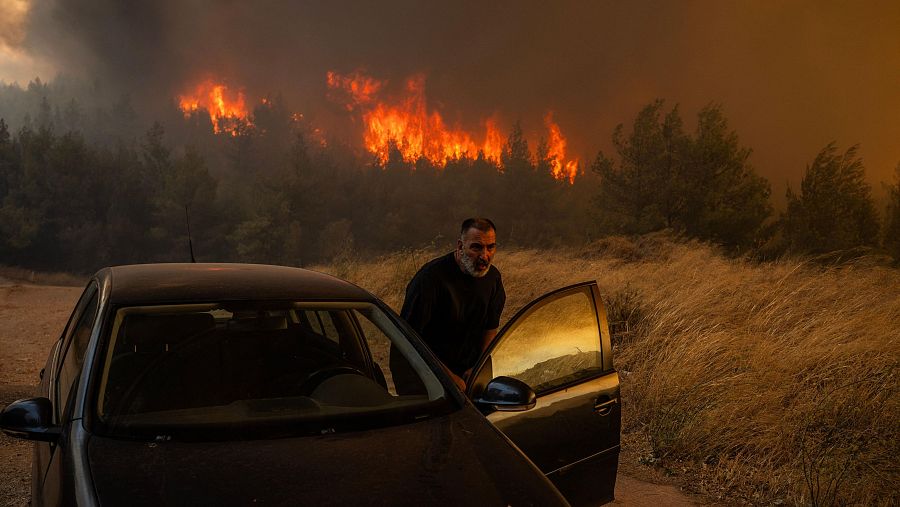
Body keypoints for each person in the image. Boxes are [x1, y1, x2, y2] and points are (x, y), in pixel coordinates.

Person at [390, 218, 506, 393]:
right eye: (476, 247)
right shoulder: (430, 280)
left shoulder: (493, 278)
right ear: (460, 246)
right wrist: (448, 378)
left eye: (490, 247)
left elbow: (490, 328)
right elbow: (410, 340)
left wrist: (479, 367)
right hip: (426, 373)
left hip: (471, 374)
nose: (485, 256)